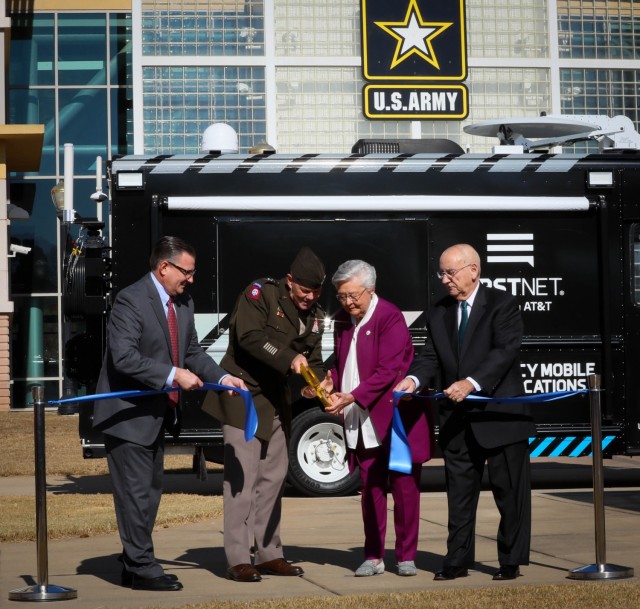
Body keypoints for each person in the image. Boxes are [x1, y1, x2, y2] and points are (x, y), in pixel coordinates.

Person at [93, 236, 246, 592]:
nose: (191, 280)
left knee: (150, 492)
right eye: (186, 272)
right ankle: (143, 566)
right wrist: (172, 374)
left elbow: (191, 351)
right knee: (136, 495)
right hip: (127, 416)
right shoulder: (130, 300)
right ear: (164, 267)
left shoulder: (184, 303)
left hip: (157, 415)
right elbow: (124, 357)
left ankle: (135, 563)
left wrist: (222, 377)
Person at [395, 243, 535, 582]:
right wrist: (413, 380)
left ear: (474, 270)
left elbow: (505, 351)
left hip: (500, 416)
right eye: (441, 273)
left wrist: (471, 383)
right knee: (458, 495)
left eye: (450, 272)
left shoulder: (502, 304)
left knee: (510, 493)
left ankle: (510, 561)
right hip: (457, 420)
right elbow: (429, 357)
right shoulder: (439, 311)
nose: (444, 279)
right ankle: (456, 561)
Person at [202, 247, 326, 582]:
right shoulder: (260, 294)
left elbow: (312, 359)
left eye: (316, 291)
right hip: (241, 396)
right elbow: (250, 338)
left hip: (276, 402)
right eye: (304, 290)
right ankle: (238, 559)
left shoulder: (316, 315)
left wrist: (316, 382)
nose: (309, 297)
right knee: (242, 481)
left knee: (273, 479)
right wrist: (289, 359)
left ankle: (270, 553)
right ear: (290, 282)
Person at [322, 260, 431, 577]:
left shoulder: (389, 316)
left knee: (404, 488)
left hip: (395, 419)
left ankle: (406, 555)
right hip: (360, 419)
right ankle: (373, 555)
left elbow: (389, 369)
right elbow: (344, 362)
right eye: (341, 296)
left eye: (353, 295)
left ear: (371, 290)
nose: (347, 303)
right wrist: (331, 379)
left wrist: (353, 396)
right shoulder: (343, 320)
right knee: (370, 488)